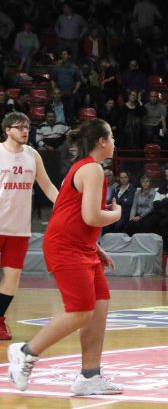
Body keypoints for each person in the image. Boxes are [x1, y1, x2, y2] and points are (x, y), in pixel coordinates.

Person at [7, 119, 122, 395]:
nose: (115, 142)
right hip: (65, 247)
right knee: (81, 310)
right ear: (102, 142)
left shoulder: (85, 167)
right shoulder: (92, 169)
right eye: (112, 137)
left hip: (81, 246)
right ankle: (25, 351)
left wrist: (95, 246)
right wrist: (117, 214)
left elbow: (69, 212)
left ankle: (90, 376)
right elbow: (92, 216)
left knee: (100, 305)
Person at [0, 113, 59, 340]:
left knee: (12, 278)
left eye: (27, 127)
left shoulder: (32, 155)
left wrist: (67, 205)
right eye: (19, 127)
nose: (25, 131)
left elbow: (47, 185)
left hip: (19, 228)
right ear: (7, 130)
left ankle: (0, 320)